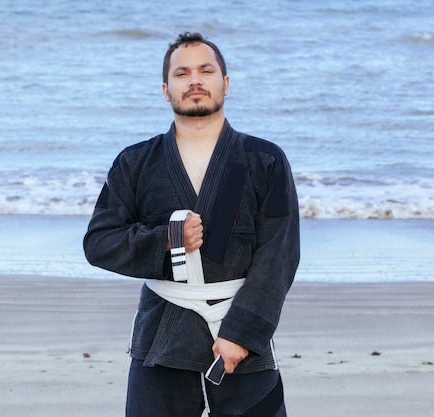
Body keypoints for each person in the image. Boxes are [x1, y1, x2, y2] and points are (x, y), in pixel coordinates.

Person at [84, 32, 300, 417]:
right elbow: (100, 241)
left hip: (242, 327)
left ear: (226, 83)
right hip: (163, 329)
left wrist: (242, 332)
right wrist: (169, 239)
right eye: (182, 73)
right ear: (166, 90)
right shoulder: (136, 163)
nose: (195, 80)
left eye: (206, 70)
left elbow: (279, 254)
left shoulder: (263, 160)